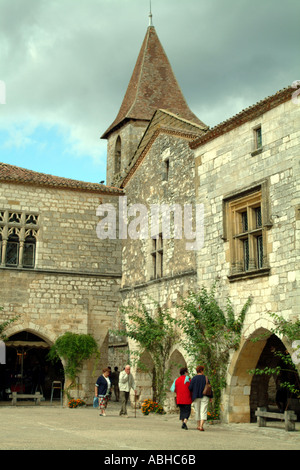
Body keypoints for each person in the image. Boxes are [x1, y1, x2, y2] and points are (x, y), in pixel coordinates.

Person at [189, 365, 213, 431]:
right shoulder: (205, 378)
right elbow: (209, 387)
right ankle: (201, 426)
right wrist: (211, 397)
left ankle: (198, 425)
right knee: (203, 410)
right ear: (201, 371)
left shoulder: (194, 378)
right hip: (205, 396)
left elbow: (190, 388)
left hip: (196, 396)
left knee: (197, 411)